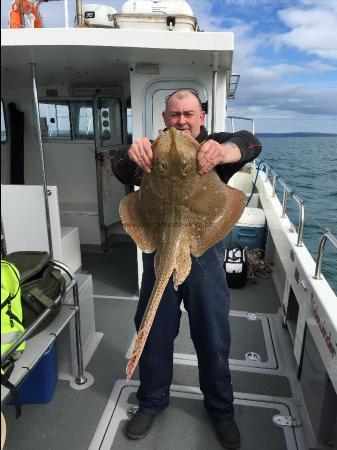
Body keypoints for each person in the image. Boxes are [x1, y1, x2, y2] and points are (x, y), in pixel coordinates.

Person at [111, 89, 262, 449]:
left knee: (212, 335)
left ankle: (221, 411)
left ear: (202, 117)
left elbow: (252, 144)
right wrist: (131, 153)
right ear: (165, 118)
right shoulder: (154, 151)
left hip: (204, 253)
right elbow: (120, 167)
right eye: (175, 114)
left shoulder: (214, 149)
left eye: (189, 114)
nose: (182, 120)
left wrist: (227, 151)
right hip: (161, 247)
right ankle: (151, 402)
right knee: (154, 331)